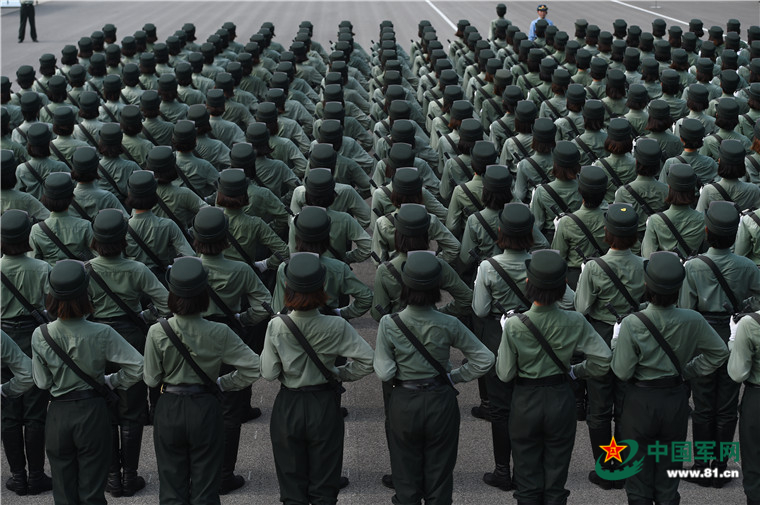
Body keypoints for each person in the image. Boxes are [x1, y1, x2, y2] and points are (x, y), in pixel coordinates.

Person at [375, 251, 493, 504]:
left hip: (404, 399)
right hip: (441, 398)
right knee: (440, 475)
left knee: (405, 474)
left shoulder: (389, 323)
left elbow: (384, 372)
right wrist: (455, 377)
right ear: (436, 288)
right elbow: (484, 359)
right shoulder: (449, 323)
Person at [612, 252, 729, 505]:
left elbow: (622, 372)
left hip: (640, 400)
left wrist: (615, 341)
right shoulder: (694, 319)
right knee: (668, 474)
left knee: (638, 475)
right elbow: (719, 352)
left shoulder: (632, 323)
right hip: (675, 398)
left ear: (647, 285)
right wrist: (689, 370)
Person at [497, 249, 611, 505]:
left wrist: (506, 334)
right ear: (563, 287)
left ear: (528, 283)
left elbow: (504, 373)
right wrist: (575, 371)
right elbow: (603, 359)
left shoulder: (515, 324)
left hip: (526, 400)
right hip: (560, 397)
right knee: (556, 479)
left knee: (526, 480)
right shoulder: (575, 320)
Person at [144, 256, 260, 504]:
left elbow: (151, 379)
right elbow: (253, 367)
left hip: (170, 406)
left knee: (171, 487)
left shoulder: (157, 331)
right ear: (204, 295)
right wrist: (224, 383)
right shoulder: (220, 331)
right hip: (205, 406)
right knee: (206, 486)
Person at [261, 252, 374, 505]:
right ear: (322, 287)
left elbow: (268, 373)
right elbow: (368, 361)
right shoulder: (337, 325)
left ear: (287, 286)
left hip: (288, 404)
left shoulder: (276, 325)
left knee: (292, 488)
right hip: (324, 403)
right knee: (325, 488)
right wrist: (340, 373)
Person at [31, 260, 144, 505]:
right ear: (86, 294)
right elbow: (138, 366)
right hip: (93, 411)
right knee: (93, 491)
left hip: (59, 413)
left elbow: (41, 382)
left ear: (51, 296)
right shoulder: (102, 332)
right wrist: (112, 381)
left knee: (63, 492)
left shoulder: (41, 334)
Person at [87, 209, 169, 497]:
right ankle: (130, 476)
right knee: (132, 410)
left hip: (95, 338)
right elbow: (166, 303)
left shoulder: (86, 270)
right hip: (131, 337)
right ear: (124, 239)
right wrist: (145, 315)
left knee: (104, 408)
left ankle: (112, 477)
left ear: (95, 239)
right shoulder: (137, 269)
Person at [679, 201, 760, 486]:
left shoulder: (692, 266)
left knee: (703, 404)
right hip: (735, 333)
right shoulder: (748, 266)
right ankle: (721, 466)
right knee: (727, 405)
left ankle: (703, 466)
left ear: (706, 231)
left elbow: (685, 309)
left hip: (703, 335)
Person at [575, 203, 645, 489]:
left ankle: (606, 470)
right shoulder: (645, 265)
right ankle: (626, 467)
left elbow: (581, 307)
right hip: (633, 334)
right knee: (627, 406)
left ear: (607, 233)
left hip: (600, 336)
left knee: (599, 406)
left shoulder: (594, 267)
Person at [1, 210, 52, 496]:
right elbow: (52, 307)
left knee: (8, 410)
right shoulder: (42, 268)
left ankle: (17, 477)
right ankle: (36, 475)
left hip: (2, 339)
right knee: (35, 412)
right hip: (34, 338)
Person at [727, 309, 760, 505]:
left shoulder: (750, 323)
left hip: (757, 397)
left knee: (754, 459)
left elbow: (737, 373)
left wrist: (734, 338)